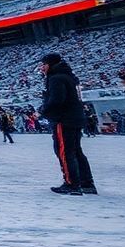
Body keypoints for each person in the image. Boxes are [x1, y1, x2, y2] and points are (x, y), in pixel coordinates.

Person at [38, 53, 95, 195]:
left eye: (43, 65)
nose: (42, 68)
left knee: (64, 152)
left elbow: (57, 100)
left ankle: (71, 183)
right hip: (74, 117)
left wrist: (43, 111)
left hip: (63, 119)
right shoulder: (67, 76)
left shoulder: (56, 78)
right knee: (76, 151)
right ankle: (86, 182)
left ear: (50, 64)